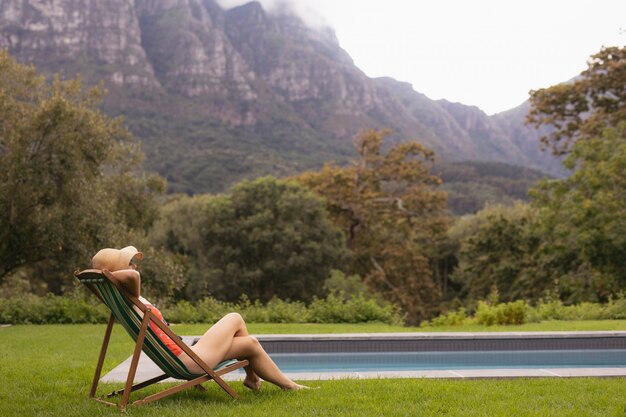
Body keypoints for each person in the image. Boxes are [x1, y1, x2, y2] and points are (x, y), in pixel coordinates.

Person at [91, 246, 309, 391]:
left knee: (250, 343)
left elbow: (131, 274)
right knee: (235, 317)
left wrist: (108, 276)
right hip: (187, 361)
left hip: (182, 355)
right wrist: (112, 274)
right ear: (115, 272)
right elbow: (133, 276)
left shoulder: (122, 298)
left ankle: (258, 380)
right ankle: (280, 384)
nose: (134, 266)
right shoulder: (130, 294)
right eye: (128, 263)